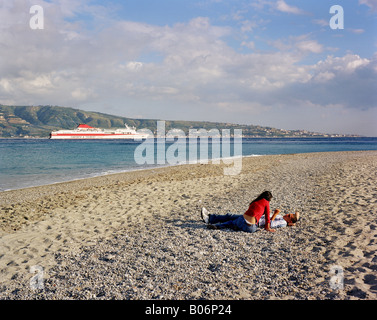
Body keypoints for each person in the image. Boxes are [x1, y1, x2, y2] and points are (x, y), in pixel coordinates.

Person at [200, 191, 275, 233]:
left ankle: (211, 219)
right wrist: (268, 228)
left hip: (242, 220)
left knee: (231, 217)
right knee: (231, 220)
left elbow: (253, 212)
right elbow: (267, 218)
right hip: (251, 228)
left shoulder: (256, 201)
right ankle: (214, 222)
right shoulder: (266, 203)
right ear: (269, 199)